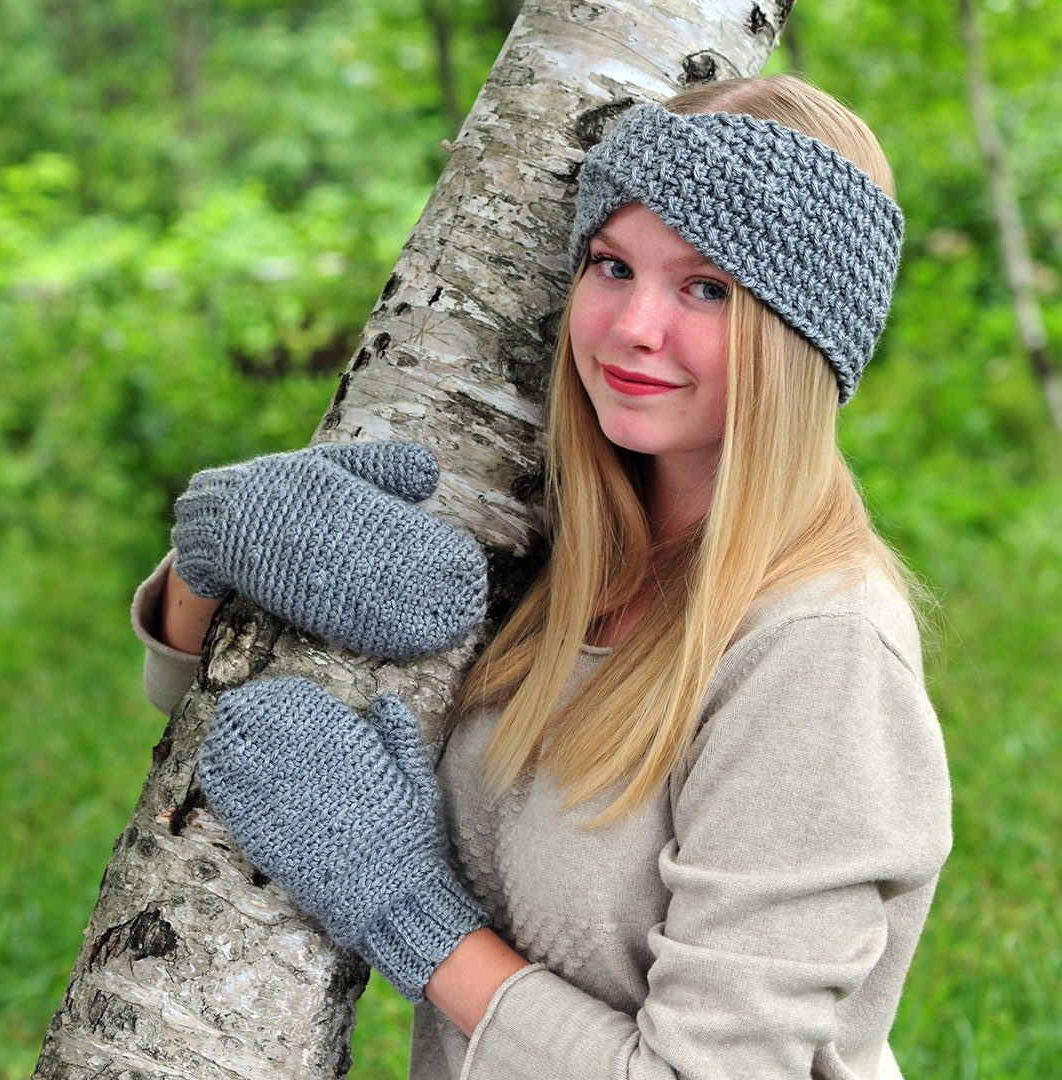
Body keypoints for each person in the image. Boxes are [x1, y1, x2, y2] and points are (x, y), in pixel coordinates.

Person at [133, 73, 951, 1079]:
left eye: (707, 288)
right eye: (613, 266)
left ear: (802, 334)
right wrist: (209, 554)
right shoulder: (572, 547)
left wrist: (410, 914)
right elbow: (219, 721)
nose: (632, 327)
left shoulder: (819, 653)